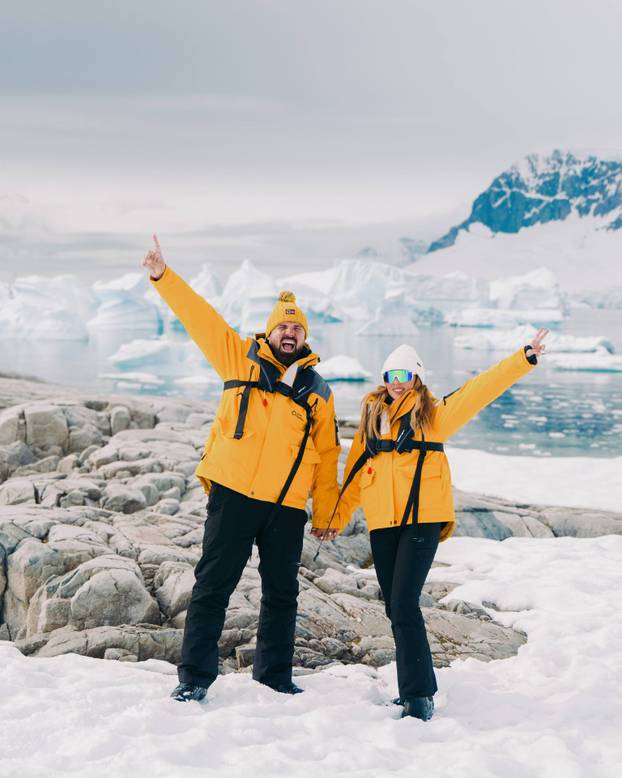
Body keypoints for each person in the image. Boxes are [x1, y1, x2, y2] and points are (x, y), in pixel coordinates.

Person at [311, 329, 549, 720]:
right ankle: (414, 689)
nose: (398, 385)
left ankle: (419, 697)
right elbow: (354, 474)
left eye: (406, 377)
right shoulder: (373, 419)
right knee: (395, 607)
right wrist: (333, 519)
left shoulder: (433, 415)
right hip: (383, 524)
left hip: (421, 522)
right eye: (392, 377)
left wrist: (522, 358)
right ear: (383, 380)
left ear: (417, 379)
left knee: (404, 604)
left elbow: (479, 390)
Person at [143, 235, 340, 702]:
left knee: (281, 595)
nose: (289, 335)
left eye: (297, 330)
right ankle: (194, 678)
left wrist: (328, 512)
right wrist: (162, 277)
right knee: (213, 585)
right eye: (282, 329)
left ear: (304, 337)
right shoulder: (238, 358)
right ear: (270, 331)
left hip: (287, 507)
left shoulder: (319, 391)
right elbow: (200, 318)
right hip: (233, 494)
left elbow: (329, 455)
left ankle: (274, 675)